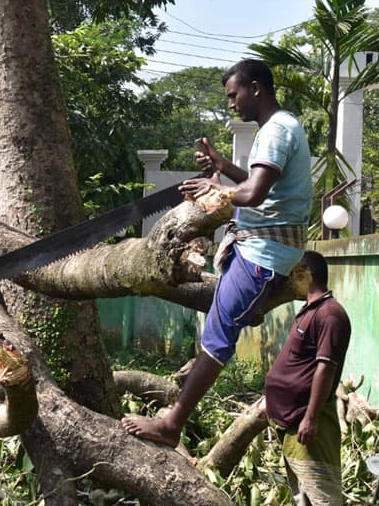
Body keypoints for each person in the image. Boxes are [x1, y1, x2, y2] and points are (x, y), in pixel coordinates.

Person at [122, 58, 313, 447]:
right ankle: (177, 411)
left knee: (218, 332)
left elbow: (254, 195)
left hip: (265, 254)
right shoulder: (277, 128)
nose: (230, 103)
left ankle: (172, 425)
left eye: (233, 94)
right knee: (219, 323)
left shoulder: (276, 131)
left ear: (256, 88)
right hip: (261, 248)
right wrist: (225, 170)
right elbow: (262, 187)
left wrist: (215, 191)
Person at [265, 250, 351, 506]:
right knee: (302, 495)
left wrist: (311, 418)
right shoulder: (311, 310)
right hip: (291, 419)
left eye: (294, 274)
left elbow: (326, 368)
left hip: (306, 420)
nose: (289, 281)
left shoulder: (330, 314)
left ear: (306, 274)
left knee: (322, 495)